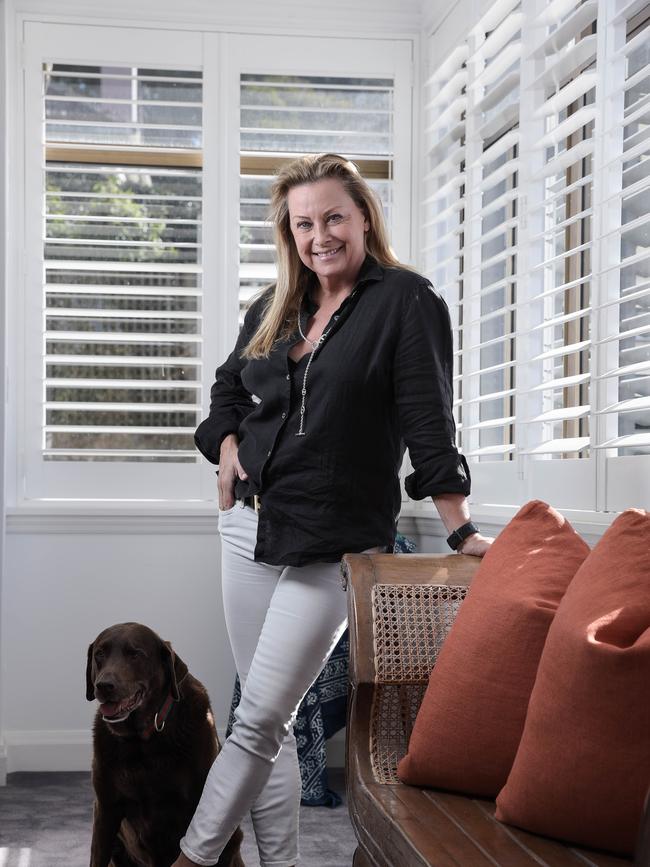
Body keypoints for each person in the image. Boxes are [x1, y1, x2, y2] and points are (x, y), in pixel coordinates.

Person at [172, 153, 492, 867]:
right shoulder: (276, 303)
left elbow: (427, 422)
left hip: (336, 543)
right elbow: (227, 393)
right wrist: (225, 445)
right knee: (272, 723)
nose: (320, 235)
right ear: (289, 231)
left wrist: (460, 525)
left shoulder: (406, 300)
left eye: (333, 217)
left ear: (364, 217)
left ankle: (191, 857)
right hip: (249, 525)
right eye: (304, 222)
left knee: (256, 717)